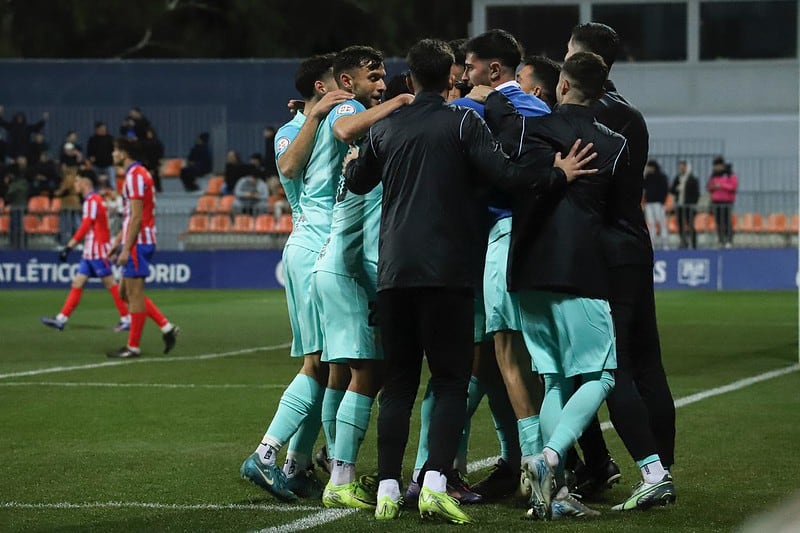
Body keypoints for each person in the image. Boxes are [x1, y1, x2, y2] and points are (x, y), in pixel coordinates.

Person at [344, 38, 596, 524]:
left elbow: (357, 183)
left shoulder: (386, 128)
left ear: (411, 78)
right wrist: (558, 174)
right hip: (447, 272)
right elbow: (508, 175)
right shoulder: (463, 122)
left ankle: (389, 488)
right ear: (453, 77)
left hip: (394, 272)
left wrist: (355, 162)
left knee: (397, 385)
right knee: (450, 380)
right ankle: (436, 481)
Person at [475, 50, 628, 521]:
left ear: (561, 86)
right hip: (577, 267)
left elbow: (504, 126)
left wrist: (488, 92)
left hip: (526, 267)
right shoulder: (613, 142)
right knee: (601, 374)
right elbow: (614, 211)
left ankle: (554, 492)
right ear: (602, 92)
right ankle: (549, 458)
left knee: (556, 378)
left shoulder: (532, 128)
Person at [567, 22, 676, 511]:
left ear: (579, 59)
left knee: (610, 363)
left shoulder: (592, 116)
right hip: (634, 245)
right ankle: (661, 469)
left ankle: (646, 469)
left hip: (606, 250)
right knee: (646, 360)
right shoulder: (630, 113)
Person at [239, 54, 351, 503]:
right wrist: (313, 115)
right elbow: (288, 168)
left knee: (325, 367)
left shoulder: (335, 121)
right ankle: (266, 454)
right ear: (321, 88)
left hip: (329, 249)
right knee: (317, 364)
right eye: (336, 84)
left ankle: (296, 463)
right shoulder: (292, 130)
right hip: (311, 248)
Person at [311, 45, 415, 512]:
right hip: (349, 269)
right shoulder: (354, 110)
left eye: (385, 76)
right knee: (370, 372)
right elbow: (343, 124)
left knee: (343, 373)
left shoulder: (368, 138)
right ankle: (341, 476)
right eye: (375, 76)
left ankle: (329, 461)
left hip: (334, 264)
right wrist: (398, 103)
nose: (382, 83)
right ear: (348, 82)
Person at [106, 137, 179, 359]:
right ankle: (166, 327)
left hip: (139, 242)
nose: (113, 154)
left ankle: (133, 346)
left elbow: (137, 217)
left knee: (134, 294)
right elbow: (131, 217)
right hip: (135, 240)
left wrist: (126, 248)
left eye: (115, 150)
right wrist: (118, 242)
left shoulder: (135, 176)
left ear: (124, 153)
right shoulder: (138, 174)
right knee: (124, 293)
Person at [40, 174, 131, 332]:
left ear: (84, 184)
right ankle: (61, 319)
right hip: (90, 252)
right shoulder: (94, 201)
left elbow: (85, 226)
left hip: (97, 251)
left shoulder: (92, 201)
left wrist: (69, 247)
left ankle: (127, 318)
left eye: (76, 182)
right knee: (77, 283)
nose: (74, 185)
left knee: (111, 284)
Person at [707, 156, 738, 248]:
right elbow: (709, 186)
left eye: (717, 166)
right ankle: (721, 239)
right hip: (716, 201)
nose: (715, 168)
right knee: (718, 222)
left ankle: (729, 239)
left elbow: (733, 186)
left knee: (727, 221)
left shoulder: (730, 174)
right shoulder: (713, 175)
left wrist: (721, 185)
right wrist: (713, 187)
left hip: (727, 201)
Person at [671, 160, 699, 249]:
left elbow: (696, 193)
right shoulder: (678, 178)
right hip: (679, 205)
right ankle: (684, 242)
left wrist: (693, 203)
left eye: (683, 166)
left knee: (690, 225)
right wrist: (676, 189)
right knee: (680, 225)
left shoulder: (692, 179)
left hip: (689, 206)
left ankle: (693, 243)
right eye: (680, 167)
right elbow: (672, 190)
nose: (681, 168)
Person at [644, 160, 670, 249]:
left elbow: (665, 189)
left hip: (658, 204)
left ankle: (665, 244)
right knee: (651, 224)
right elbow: (643, 186)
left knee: (662, 223)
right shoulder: (647, 177)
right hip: (649, 204)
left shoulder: (661, 177)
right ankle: (652, 244)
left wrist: (662, 201)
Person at [140, 128, 164, 193]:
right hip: (146, 161)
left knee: (156, 176)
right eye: (148, 133)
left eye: (150, 133)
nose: (149, 135)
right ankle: (145, 188)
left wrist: (160, 160)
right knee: (146, 176)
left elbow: (160, 152)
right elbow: (142, 152)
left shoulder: (157, 142)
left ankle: (158, 188)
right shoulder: (143, 143)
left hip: (155, 161)